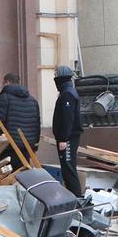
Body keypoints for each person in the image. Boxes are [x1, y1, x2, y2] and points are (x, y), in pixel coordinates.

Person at [0, 73, 41, 169]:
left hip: (7, 147)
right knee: (21, 176)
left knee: (3, 177)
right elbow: (36, 125)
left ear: (8, 82)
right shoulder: (33, 101)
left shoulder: (4, 98)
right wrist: (34, 145)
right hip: (26, 147)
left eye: (3, 83)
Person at [51, 65, 83, 197]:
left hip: (68, 138)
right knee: (68, 169)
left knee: (69, 169)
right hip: (69, 137)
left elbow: (67, 118)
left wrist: (63, 138)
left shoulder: (67, 94)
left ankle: (77, 199)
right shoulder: (69, 92)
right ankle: (75, 198)